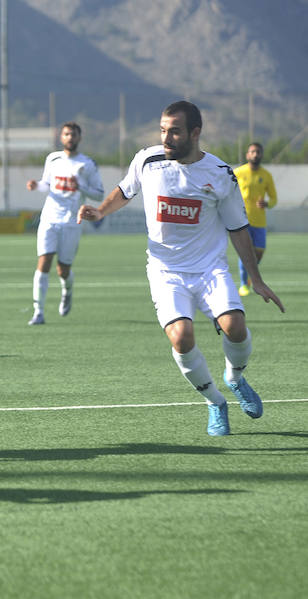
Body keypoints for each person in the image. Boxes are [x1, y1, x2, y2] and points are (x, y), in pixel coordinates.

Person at [78, 100, 285, 436]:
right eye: (162, 130)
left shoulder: (220, 174)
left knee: (235, 326)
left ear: (195, 133)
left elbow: (237, 228)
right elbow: (125, 190)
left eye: (174, 131)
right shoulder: (148, 160)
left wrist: (256, 279)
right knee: (181, 337)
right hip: (166, 271)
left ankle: (234, 378)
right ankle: (215, 402)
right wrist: (100, 211)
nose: (166, 138)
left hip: (210, 269)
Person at [25, 122, 103, 325]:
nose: (70, 137)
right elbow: (47, 184)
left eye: (73, 134)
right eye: (66, 134)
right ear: (61, 137)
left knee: (63, 270)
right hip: (49, 218)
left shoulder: (87, 164)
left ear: (79, 138)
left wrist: (81, 186)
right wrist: (36, 185)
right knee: (44, 262)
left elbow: (99, 194)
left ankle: (67, 290)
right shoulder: (53, 158)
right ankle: (38, 312)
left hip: (71, 222)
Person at [233, 142, 277, 296]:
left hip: (259, 221)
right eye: (253, 151)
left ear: (261, 155)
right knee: (245, 252)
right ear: (247, 155)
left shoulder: (266, 175)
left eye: (258, 152)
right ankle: (243, 284)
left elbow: (274, 199)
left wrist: (267, 203)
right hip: (242, 221)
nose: (255, 154)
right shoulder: (238, 172)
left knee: (259, 252)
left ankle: (250, 275)